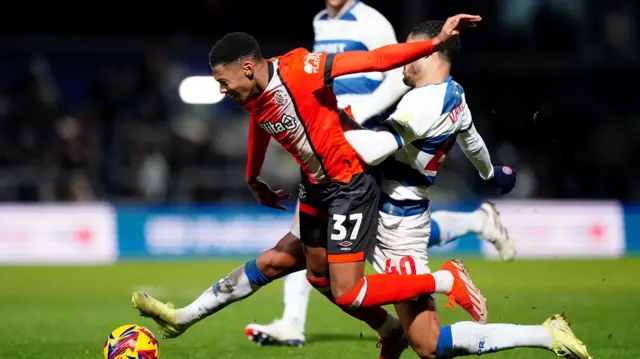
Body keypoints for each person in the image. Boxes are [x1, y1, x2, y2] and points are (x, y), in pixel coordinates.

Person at [132, 14, 488, 359]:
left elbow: (376, 60)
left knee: (347, 291)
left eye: (223, 82)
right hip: (316, 185)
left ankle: (444, 280)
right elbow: (261, 121)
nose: (222, 90)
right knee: (309, 274)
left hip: (349, 185)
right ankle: (183, 318)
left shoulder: (302, 71)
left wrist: (436, 43)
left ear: (246, 68)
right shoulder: (251, 91)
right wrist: (253, 177)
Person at [245, 0, 514, 347]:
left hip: (366, 131)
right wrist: (491, 173)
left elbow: (395, 70)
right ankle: (294, 320)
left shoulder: (373, 22)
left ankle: (299, 321)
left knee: (332, 236)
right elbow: (473, 141)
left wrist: (352, 117)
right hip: (341, 134)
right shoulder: (320, 22)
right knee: (323, 233)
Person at [333, 20, 592, 359]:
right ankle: (476, 227)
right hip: (383, 212)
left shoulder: (423, 104)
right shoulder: (453, 94)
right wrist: (491, 174)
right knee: (319, 268)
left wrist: (328, 129)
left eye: (412, 50)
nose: (403, 57)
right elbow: (473, 142)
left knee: (428, 344)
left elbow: (372, 150)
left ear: (431, 53)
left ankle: (546, 335)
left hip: (397, 228)